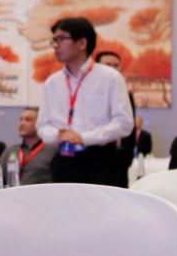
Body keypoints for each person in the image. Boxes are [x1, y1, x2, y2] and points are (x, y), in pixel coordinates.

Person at [36, 18, 134, 185]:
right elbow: (42, 125)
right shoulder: (52, 82)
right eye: (54, 40)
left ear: (82, 43)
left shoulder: (110, 77)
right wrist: (59, 135)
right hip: (64, 159)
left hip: (101, 161)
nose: (55, 45)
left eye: (61, 39)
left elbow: (124, 123)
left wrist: (83, 137)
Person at [96, 50, 138, 188]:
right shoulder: (91, 93)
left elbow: (130, 128)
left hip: (120, 158)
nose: (113, 69)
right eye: (108, 65)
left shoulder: (126, 95)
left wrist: (127, 156)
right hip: (95, 157)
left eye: (116, 65)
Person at [0, 108, 58, 186]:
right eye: (21, 120)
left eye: (28, 120)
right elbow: (0, 181)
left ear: (40, 124)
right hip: (14, 192)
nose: (22, 123)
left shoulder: (53, 150)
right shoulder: (9, 151)